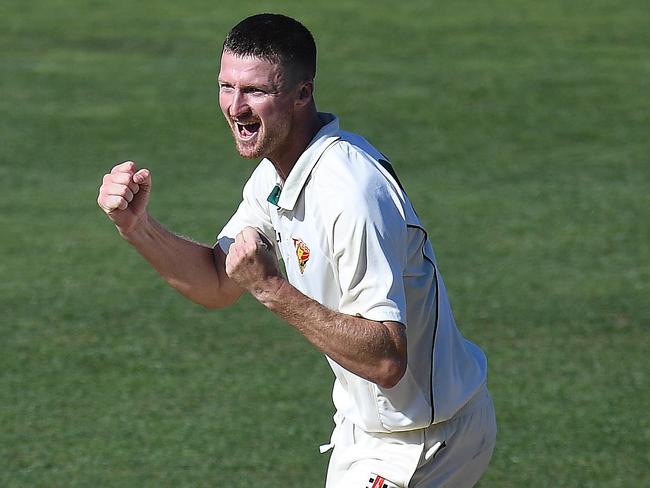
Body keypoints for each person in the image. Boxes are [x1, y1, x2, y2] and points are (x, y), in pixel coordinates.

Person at [97, 13, 496, 487]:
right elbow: (218, 283)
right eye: (227, 87)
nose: (236, 107)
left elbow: (387, 359)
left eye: (256, 92)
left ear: (303, 93)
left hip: (423, 442)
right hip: (365, 430)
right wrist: (137, 227)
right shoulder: (278, 173)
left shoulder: (350, 194)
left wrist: (271, 289)